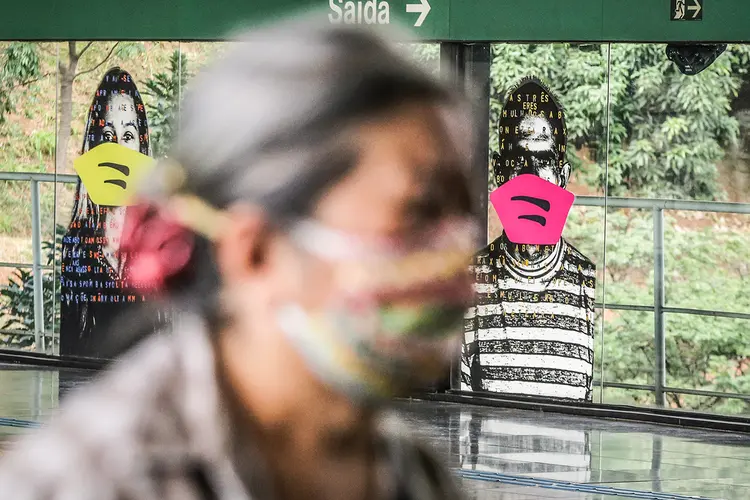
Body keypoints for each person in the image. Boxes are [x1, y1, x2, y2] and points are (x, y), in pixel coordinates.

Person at [0, 16, 476, 500]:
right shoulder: (84, 482)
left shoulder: (414, 475)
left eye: (463, 216)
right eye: (419, 214)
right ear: (255, 253)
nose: (457, 254)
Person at [462, 78, 596, 401]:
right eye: (518, 161)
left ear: (562, 178)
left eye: (543, 161)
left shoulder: (588, 282)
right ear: (498, 172)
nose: (530, 176)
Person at [60, 67, 160, 358]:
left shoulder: (159, 240)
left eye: (128, 135)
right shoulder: (77, 246)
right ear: (93, 144)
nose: (117, 149)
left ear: (142, 145)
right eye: (107, 135)